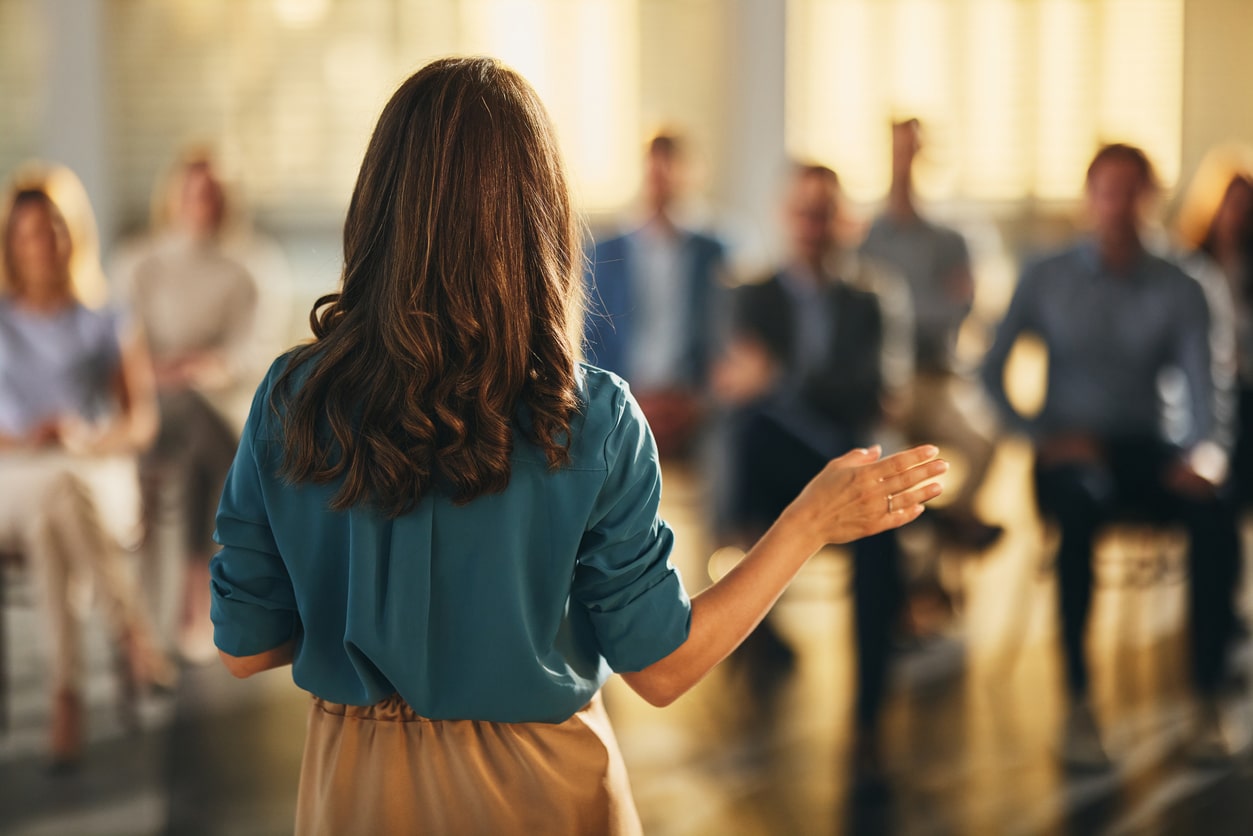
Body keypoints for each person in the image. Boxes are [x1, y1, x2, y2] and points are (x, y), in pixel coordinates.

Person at [208, 58, 945, 835]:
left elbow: (247, 648)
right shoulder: (590, 416)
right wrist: (808, 523)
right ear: (540, 214)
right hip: (539, 787)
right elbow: (659, 669)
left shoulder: (294, 396)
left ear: (379, 202)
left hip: (351, 791)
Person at [981, 144, 1241, 767]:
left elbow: (1210, 391)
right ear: (1088, 198)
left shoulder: (1185, 283)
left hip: (1152, 451)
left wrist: (1208, 458)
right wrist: (1039, 433)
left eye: (1134, 191)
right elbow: (988, 371)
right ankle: (1079, 703)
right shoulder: (1045, 276)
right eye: (1108, 190)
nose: (1120, 206)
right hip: (1069, 454)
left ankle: (1205, 700)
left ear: (1153, 199)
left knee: (1216, 521)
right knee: (1077, 512)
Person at [711, 163, 914, 783]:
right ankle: (753, 599)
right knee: (752, 429)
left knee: (877, 524)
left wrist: (780, 381)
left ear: (842, 222)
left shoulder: (872, 297)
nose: (812, 225)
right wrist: (795, 391)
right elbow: (738, 389)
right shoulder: (752, 293)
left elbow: (876, 390)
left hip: (847, 459)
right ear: (784, 217)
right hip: (779, 464)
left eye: (823, 213)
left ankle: (868, 717)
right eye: (803, 211)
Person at [0, 175, 172, 770]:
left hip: (90, 467)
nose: (41, 241)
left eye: (51, 227)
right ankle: (131, 634)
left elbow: (140, 421)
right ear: (10, 241)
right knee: (54, 490)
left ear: (73, 234)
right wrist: (27, 437)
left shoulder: (108, 318)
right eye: (26, 231)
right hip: (13, 470)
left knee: (59, 506)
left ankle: (65, 696)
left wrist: (85, 438)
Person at [122, 152, 259, 662]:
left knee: (206, 425)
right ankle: (201, 590)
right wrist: (158, 373)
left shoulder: (249, 265)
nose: (202, 203)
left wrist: (206, 368)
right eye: (194, 192)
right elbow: (121, 345)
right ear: (174, 197)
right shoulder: (140, 261)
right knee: (217, 438)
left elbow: (249, 351)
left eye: (212, 194)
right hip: (149, 404)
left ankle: (187, 596)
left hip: (213, 398)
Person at [860, 119, 1003, 550]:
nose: (906, 163)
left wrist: (902, 310)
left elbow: (958, 312)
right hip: (886, 387)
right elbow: (864, 322)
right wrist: (923, 307)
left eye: (914, 152)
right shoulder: (866, 239)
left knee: (985, 443)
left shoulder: (952, 240)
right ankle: (924, 567)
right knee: (892, 468)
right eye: (899, 151)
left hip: (939, 381)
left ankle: (948, 524)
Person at [584, 132, 727, 457]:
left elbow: (725, 338)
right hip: (624, 393)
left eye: (672, 165)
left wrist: (697, 399)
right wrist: (626, 396)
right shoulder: (604, 254)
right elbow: (592, 337)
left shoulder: (718, 251)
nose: (662, 177)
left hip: (692, 400)